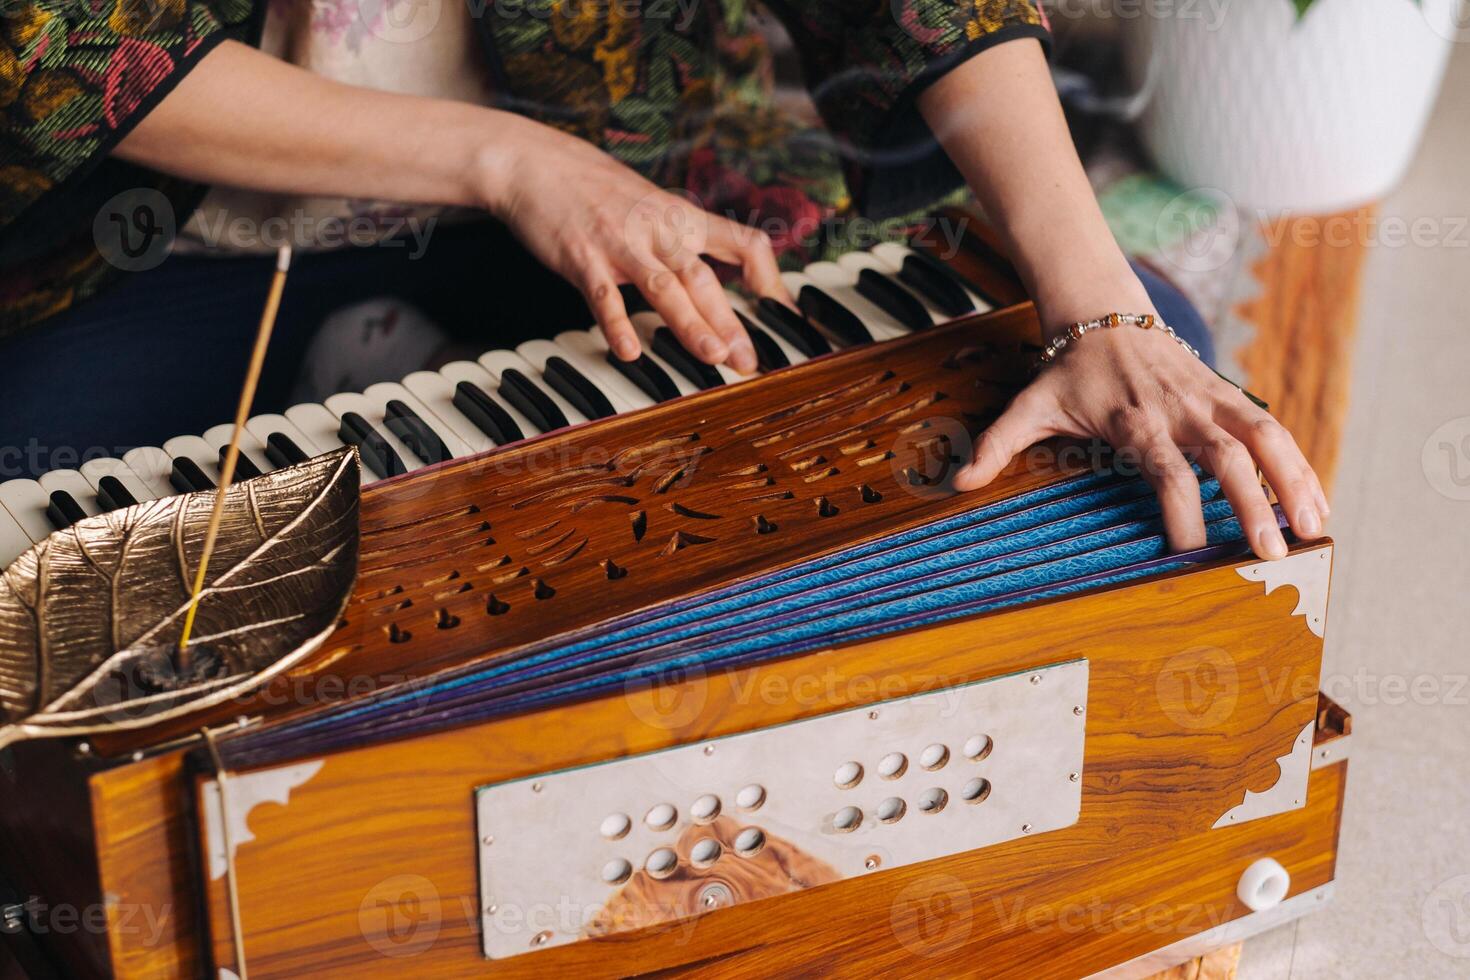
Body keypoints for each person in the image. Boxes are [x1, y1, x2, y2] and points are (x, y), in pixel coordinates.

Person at [0, 0, 1325, 559]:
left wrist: (1096, 308)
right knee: (34, 546)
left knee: (1128, 441)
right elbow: (67, 42)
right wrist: (508, 162)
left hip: (639, 185)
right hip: (184, 235)